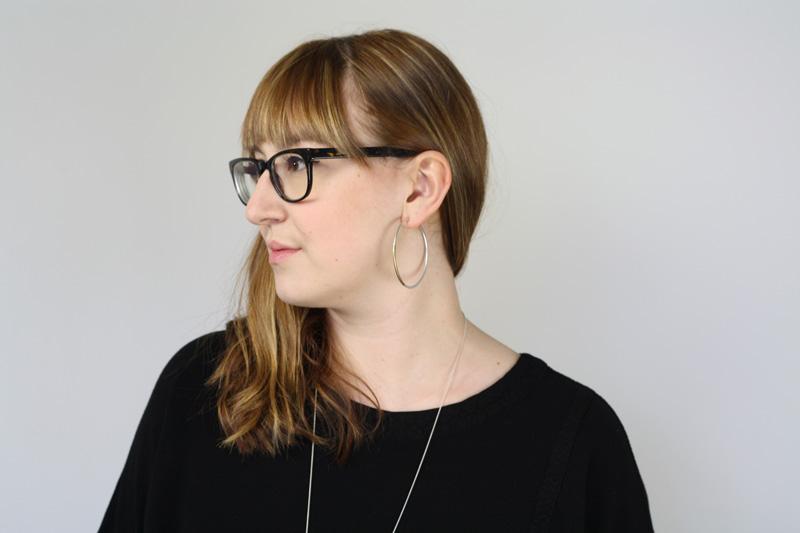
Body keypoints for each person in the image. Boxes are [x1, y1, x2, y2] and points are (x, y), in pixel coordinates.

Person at [98, 28, 654, 532]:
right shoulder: (207, 393)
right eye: (259, 168)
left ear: (418, 189)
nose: (259, 207)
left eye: (297, 163)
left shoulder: (572, 444)